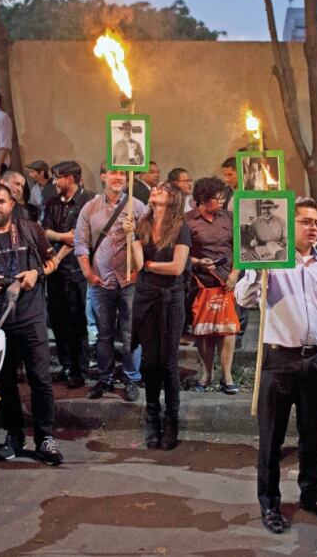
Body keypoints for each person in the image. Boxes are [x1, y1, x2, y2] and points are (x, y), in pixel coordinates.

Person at [235, 197, 317, 534]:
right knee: (271, 437)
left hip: (314, 360)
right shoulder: (271, 263)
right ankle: (269, 502)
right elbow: (243, 298)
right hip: (278, 361)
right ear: (290, 224)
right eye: (306, 222)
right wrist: (258, 271)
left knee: (312, 435)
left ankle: (312, 495)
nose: (314, 227)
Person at [0, 182, 63, 465]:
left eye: (1, 202)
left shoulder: (31, 230)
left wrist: (36, 273)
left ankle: (45, 438)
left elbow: (52, 262)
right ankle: (14, 436)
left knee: (40, 380)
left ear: (12, 204)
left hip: (31, 317)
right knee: (5, 384)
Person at [75, 162, 148, 402]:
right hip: (100, 280)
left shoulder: (137, 207)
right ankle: (104, 378)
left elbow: (150, 241)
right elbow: (80, 243)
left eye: (123, 173)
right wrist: (87, 273)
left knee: (130, 334)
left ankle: (131, 379)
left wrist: (135, 231)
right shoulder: (90, 207)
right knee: (104, 334)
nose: (119, 177)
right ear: (103, 175)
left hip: (129, 281)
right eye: (114, 172)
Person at [131, 181, 191, 449]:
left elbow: (177, 267)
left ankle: (172, 420)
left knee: (168, 362)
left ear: (174, 198)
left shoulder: (181, 228)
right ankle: (152, 418)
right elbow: (137, 265)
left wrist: (151, 265)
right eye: (155, 187)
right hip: (146, 298)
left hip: (170, 299)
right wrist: (131, 239)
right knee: (150, 362)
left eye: (163, 188)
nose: (156, 189)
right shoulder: (140, 225)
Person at [43, 160, 95, 387]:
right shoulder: (52, 202)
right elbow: (44, 231)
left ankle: (79, 369)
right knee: (57, 320)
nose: (54, 182)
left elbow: (80, 237)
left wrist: (59, 250)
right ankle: (65, 366)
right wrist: (62, 236)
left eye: (58, 177)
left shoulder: (89, 201)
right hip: (55, 273)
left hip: (77, 271)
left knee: (77, 322)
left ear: (70, 178)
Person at [188, 177, 239, 393]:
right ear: (201, 199)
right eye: (215, 199)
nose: (220, 202)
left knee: (228, 330)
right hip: (201, 283)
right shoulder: (188, 221)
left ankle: (227, 376)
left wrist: (236, 273)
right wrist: (197, 262)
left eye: (221, 198)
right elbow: (181, 252)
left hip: (227, 281)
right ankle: (206, 374)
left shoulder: (229, 218)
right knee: (204, 331)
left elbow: (240, 247)